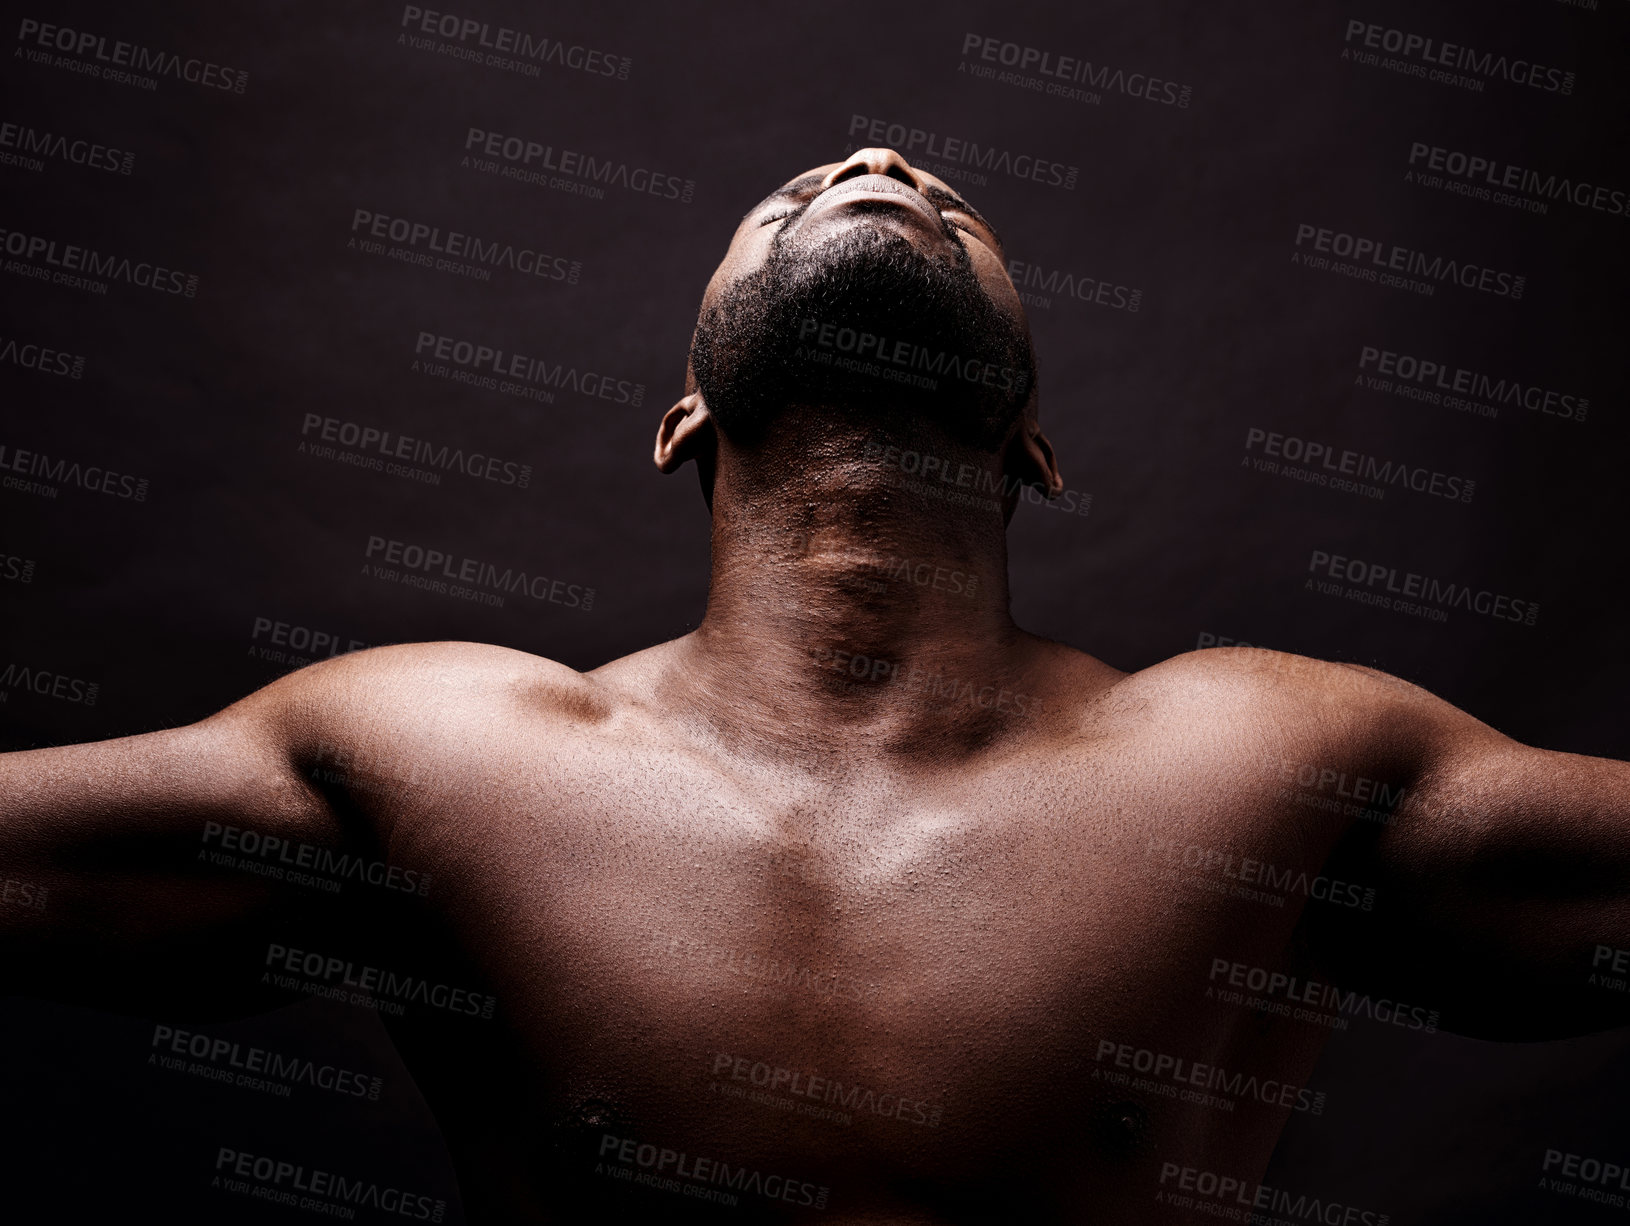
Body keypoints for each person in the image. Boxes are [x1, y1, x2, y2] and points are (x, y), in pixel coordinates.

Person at [2, 148, 1626, 1224]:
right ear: (682, 419)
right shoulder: (439, 751)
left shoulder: (1269, 757)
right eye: (790, 195)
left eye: (947, 197)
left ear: (1032, 450)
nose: (875, 166)